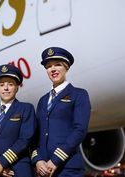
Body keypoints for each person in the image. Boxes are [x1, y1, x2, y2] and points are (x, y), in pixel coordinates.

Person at [31, 47, 91, 177]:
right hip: (44, 170)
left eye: (58, 65)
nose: (53, 69)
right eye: (48, 66)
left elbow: (80, 130)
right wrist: (38, 160)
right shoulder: (43, 100)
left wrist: (55, 160)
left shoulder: (79, 94)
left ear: (66, 67)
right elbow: (37, 135)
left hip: (68, 168)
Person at [0, 64, 36, 177]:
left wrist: (2, 162)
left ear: (17, 87)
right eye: (2, 85)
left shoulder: (26, 109)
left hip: (18, 171)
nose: (6, 88)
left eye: (11, 84)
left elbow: (25, 139)